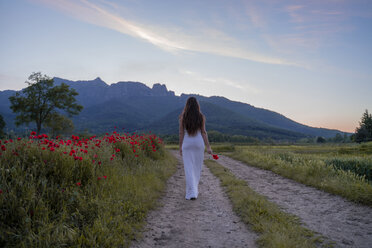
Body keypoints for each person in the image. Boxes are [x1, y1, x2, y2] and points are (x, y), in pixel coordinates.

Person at [179, 97, 212, 200]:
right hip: (198, 144)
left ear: (187, 105)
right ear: (197, 105)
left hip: (187, 144)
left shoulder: (183, 117)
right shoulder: (201, 117)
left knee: (188, 168)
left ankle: (191, 192)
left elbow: (181, 133)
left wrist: (180, 146)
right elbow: (203, 132)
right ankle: (194, 190)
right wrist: (208, 147)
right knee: (197, 168)